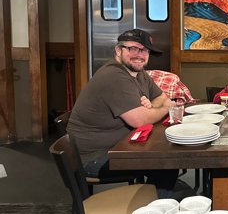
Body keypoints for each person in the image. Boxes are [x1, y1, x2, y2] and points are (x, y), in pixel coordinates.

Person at [66, 28, 179, 197]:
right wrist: (165, 109)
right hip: (93, 159)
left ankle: (154, 204)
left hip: (119, 146)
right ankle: (154, 212)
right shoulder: (113, 76)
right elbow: (140, 120)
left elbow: (161, 97)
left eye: (145, 50)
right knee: (165, 164)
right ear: (118, 50)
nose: (139, 55)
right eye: (133, 48)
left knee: (166, 163)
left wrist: (152, 108)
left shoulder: (138, 73)